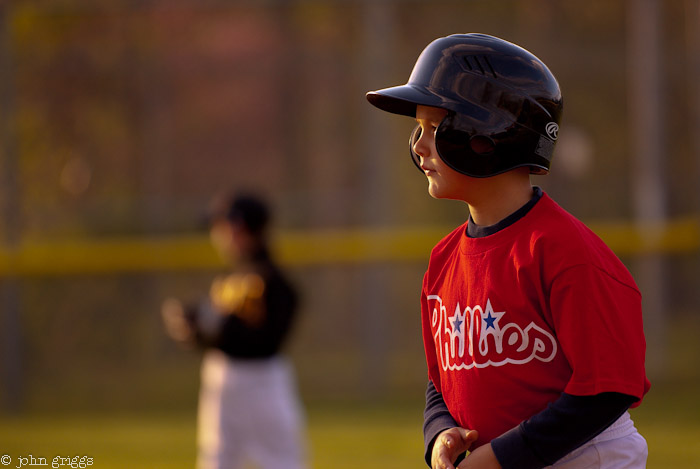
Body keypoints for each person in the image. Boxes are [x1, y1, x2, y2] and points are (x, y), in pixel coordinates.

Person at [366, 33, 650, 469]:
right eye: (417, 130)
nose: (419, 146)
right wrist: (440, 430)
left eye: (435, 128)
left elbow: (607, 390)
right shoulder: (443, 261)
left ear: (487, 135)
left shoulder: (563, 251)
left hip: (585, 457)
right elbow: (441, 381)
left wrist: (501, 458)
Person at [161, 192, 307, 469]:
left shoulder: (272, 281)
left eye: (221, 227)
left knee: (281, 461)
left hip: (260, 380)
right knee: (217, 459)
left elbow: (267, 339)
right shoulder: (232, 276)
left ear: (239, 228)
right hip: (221, 377)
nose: (217, 236)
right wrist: (197, 330)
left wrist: (215, 331)